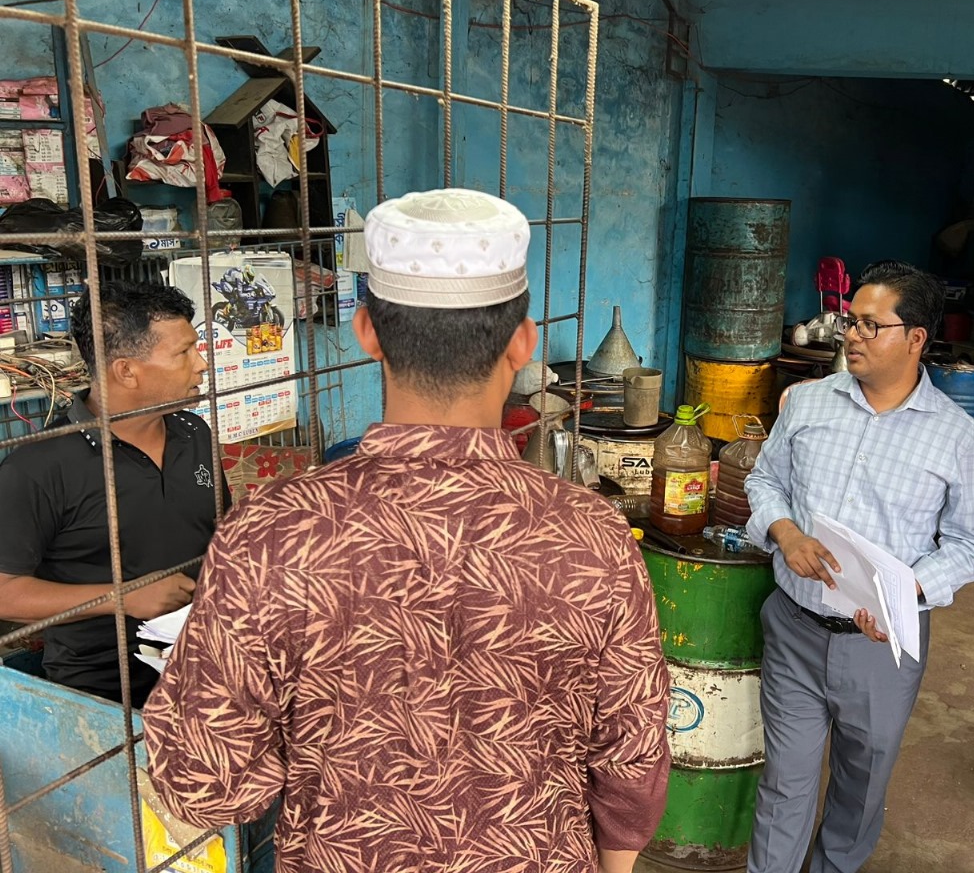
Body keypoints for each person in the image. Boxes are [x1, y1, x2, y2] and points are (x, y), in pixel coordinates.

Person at [144, 188, 671, 873]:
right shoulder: (591, 534)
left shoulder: (271, 536)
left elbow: (208, 782)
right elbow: (632, 755)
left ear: (366, 331)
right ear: (523, 342)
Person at [744, 260, 974, 873]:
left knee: (860, 791)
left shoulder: (962, 441)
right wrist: (785, 532)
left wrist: (902, 590)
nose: (852, 336)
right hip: (796, 629)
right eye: (849, 322)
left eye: (870, 325)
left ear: (916, 338)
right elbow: (765, 480)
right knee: (785, 786)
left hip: (883, 647)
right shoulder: (806, 404)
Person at [0, 280, 223, 708]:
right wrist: (122, 597)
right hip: (104, 690)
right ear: (126, 371)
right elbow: (4, 592)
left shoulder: (193, 432)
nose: (202, 365)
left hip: (208, 662)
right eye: (184, 352)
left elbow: (218, 530)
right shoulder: (39, 467)